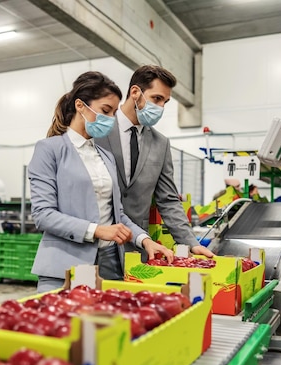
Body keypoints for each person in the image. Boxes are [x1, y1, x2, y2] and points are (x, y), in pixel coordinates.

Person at [28, 71, 174, 293]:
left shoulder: (104, 155)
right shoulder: (50, 150)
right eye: (105, 111)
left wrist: (144, 240)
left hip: (109, 264)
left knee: (105, 327)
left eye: (114, 113)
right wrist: (97, 230)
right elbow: (43, 214)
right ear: (80, 105)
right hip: (64, 267)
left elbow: (118, 213)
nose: (110, 119)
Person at [95, 65, 214, 258]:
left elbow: (168, 199)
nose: (160, 108)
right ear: (135, 92)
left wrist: (191, 242)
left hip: (137, 247)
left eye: (165, 102)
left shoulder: (161, 144)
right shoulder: (98, 130)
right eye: (156, 99)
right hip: (94, 243)